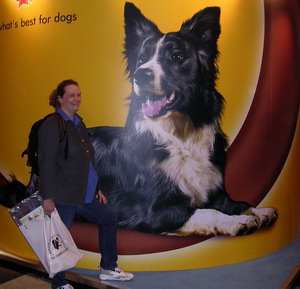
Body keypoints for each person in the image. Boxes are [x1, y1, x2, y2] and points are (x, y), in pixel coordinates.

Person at [38, 79, 134, 289]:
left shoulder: (79, 124)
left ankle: (108, 268)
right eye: (71, 95)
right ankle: (59, 283)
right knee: (60, 239)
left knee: (109, 217)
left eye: (78, 95)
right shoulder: (52, 124)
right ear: (60, 98)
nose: (76, 99)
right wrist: (47, 197)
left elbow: (87, 160)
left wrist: (97, 187)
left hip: (84, 192)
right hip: (63, 194)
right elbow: (45, 162)